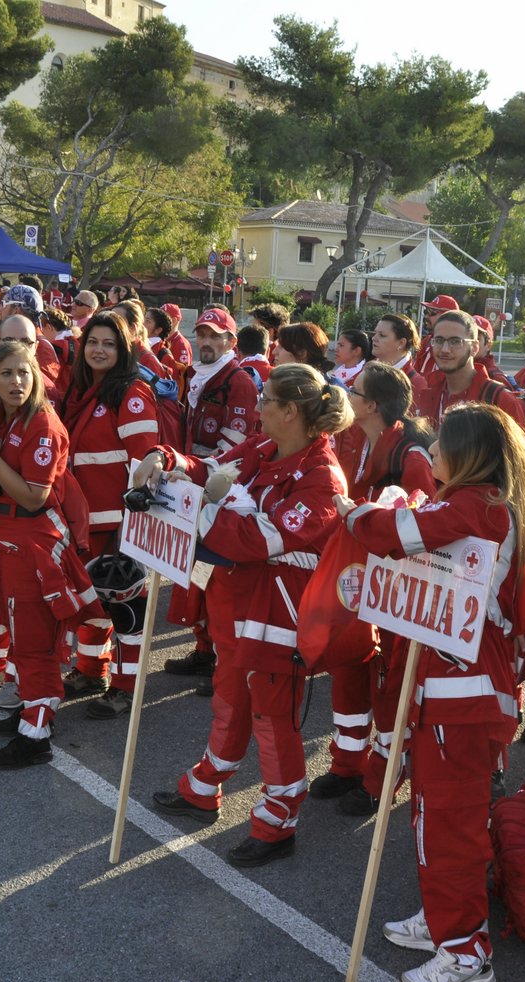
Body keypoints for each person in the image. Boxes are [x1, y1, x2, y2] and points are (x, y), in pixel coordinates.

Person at [342, 402, 525, 982]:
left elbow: (396, 533)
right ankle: (443, 919)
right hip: (454, 690)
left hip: (467, 696)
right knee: (434, 817)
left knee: (450, 827)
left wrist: (353, 516)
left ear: (471, 454)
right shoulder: (479, 505)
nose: (430, 455)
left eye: (442, 445)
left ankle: (465, 952)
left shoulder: (476, 506)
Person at [148, 364, 353, 866]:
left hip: (280, 613)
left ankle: (279, 818)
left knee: (271, 715)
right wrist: (164, 458)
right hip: (236, 600)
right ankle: (205, 785)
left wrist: (198, 511)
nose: (256, 407)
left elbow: (258, 539)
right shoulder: (263, 448)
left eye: (266, 401)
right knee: (230, 695)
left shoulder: (322, 477)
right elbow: (209, 468)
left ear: (290, 412)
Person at [311, 361, 437, 813]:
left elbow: (422, 529)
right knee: (348, 672)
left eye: (354, 387)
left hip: (391, 589)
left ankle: (383, 777)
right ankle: (346, 762)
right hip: (356, 581)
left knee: (387, 689)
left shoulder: (411, 455)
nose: (345, 391)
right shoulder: (353, 439)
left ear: (372, 405)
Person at [0, 339, 93, 769]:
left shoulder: (43, 423)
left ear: (37, 375)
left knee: (35, 641)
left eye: (24, 372)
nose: (16, 380)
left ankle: (35, 734)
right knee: (22, 633)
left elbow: (34, 496)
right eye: (6, 373)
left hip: (32, 542)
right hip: (6, 538)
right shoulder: (11, 417)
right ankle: (31, 711)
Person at [57, 312, 160, 719]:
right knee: (91, 599)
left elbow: (146, 463)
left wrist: (129, 526)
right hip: (85, 521)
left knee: (125, 607)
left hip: (118, 522)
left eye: (109, 344)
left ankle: (126, 687)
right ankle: (91, 669)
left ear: (124, 350)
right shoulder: (82, 390)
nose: (99, 350)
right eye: (93, 342)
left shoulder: (132, 393)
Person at [162, 307, 260, 690]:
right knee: (194, 578)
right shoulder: (194, 375)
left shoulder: (239, 382)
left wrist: (195, 480)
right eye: (201, 333)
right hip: (192, 481)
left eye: (214, 335)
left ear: (230, 342)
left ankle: (221, 662)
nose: (205, 341)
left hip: (215, 491)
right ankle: (204, 649)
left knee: (214, 578)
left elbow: (232, 449)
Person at [416, 310, 525, 427]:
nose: (445, 349)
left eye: (455, 341)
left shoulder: (500, 400)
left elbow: (518, 445)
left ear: (474, 348)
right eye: (439, 340)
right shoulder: (428, 391)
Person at [370, 313, 431, 410]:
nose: (374, 338)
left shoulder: (416, 383)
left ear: (401, 343)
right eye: (375, 333)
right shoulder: (367, 369)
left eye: (382, 335)